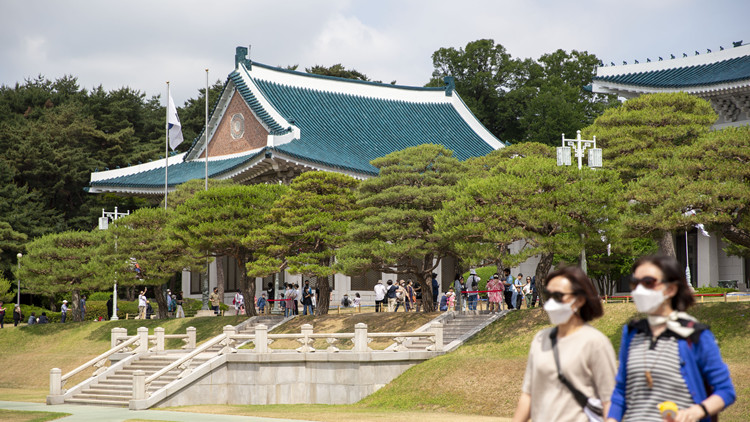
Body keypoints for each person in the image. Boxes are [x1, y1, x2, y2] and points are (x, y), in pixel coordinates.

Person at [606, 255, 736, 422]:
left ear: (671, 289)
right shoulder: (632, 333)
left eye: (648, 282)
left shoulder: (694, 334)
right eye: (634, 283)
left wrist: (697, 411)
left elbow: (725, 391)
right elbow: (620, 391)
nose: (639, 290)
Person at [513, 266, 616, 422]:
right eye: (548, 295)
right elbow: (529, 394)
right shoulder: (541, 339)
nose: (552, 302)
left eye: (558, 296)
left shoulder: (595, 342)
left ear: (579, 300)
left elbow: (609, 400)